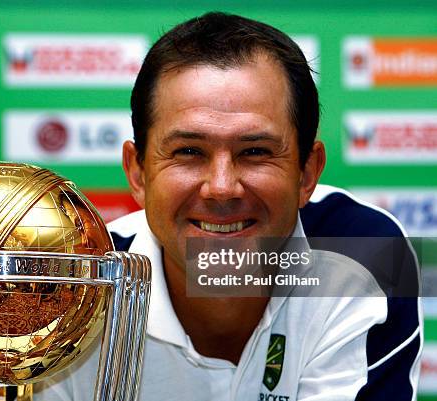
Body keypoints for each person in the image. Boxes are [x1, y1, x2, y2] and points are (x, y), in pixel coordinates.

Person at [35, 12, 421, 400]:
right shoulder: (72, 291)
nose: (221, 188)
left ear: (307, 173)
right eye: (189, 151)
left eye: (255, 151)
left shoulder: (366, 253)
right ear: (138, 173)